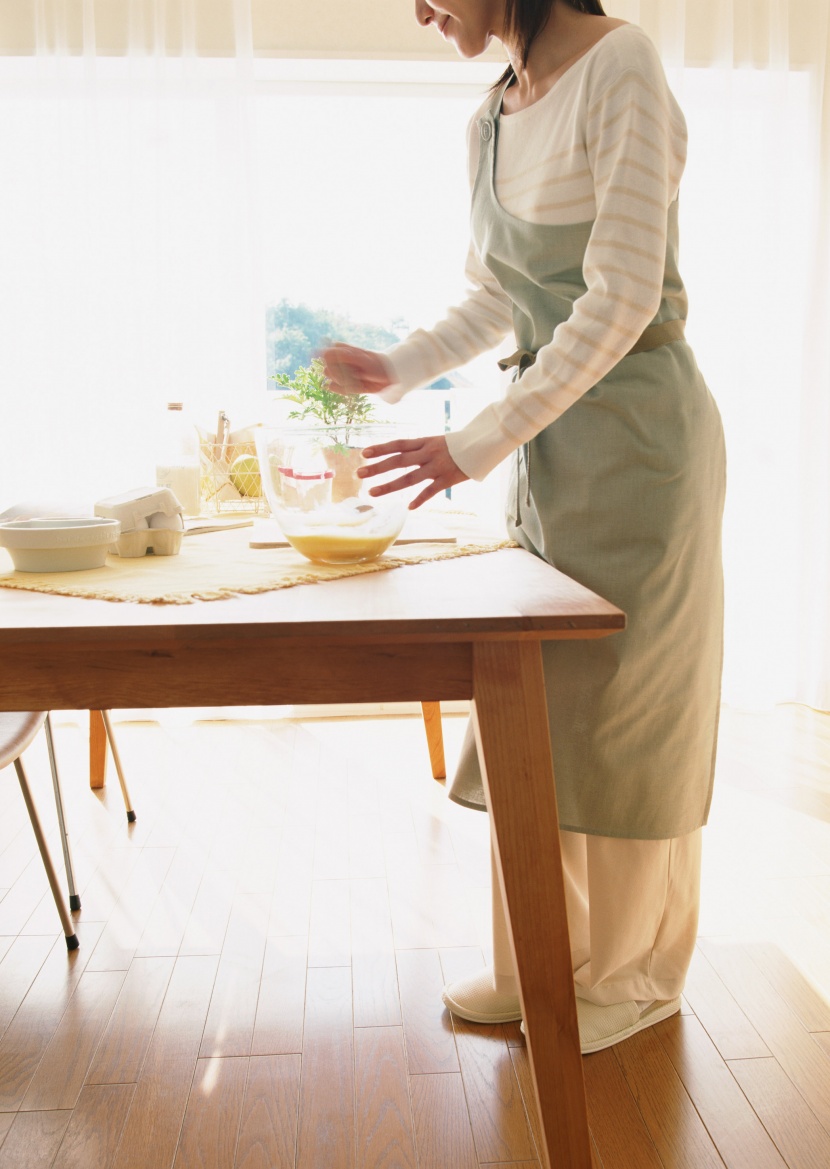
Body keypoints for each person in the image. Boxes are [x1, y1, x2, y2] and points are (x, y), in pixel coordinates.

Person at [320, 0, 725, 1054]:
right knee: (543, 700)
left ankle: (631, 973)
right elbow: (503, 296)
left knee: (626, 716)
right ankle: (542, 958)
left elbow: (620, 294)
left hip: (638, 445)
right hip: (553, 447)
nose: (418, 11)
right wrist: (400, 366)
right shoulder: (492, 114)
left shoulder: (619, 66)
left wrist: (477, 439)